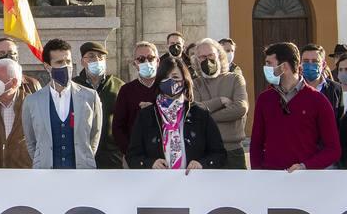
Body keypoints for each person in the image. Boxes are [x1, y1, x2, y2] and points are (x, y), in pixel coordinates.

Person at [250, 42, 341, 171]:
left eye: (269, 63)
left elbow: (333, 149)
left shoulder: (318, 100)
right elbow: (256, 144)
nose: (266, 67)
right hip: (270, 179)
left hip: (306, 180)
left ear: (284, 66)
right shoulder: (264, 99)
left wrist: (306, 166)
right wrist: (258, 172)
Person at [127, 56, 226, 172]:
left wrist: (202, 164)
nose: (170, 81)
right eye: (165, 77)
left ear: (184, 80)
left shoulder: (200, 114)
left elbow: (219, 154)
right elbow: (132, 156)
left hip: (192, 182)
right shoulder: (146, 115)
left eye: (175, 77)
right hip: (156, 183)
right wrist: (150, 163)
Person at [22, 38, 101, 169]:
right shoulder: (32, 101)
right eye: (59, 62)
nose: (66, 66)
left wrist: (85, 158)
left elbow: (95, 135)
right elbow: (31, 141)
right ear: (47, 66)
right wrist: (43, 160)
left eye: (68, 61)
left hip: (81, 172)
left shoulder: (90, 96)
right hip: (46, 173)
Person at [192, 38, 248, 169]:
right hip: (205, 152)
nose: (207, 60)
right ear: (197, 60)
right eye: (202, 57)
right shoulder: (195, 83)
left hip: (233, 151)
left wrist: (207, 116)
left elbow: (240, 108)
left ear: (219, 55)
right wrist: (220, 101)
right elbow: (194, 112)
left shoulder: (235, 78)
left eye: (210, 55)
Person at [73, 40, 124, 168]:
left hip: (111, 155)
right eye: (91, 56)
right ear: (82, 61)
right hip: (80, 154)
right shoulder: (73, 86)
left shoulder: (119, 86)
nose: (96, 60)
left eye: (100, 57)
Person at [112, 41, 160, 159]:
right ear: (135, 63)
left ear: (158, 61)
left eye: (150, 58)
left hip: (164, 154)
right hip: (134, 156)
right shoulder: (126, 90)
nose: (146, 62)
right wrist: (130, 152)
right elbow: (118, 126)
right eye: (141, 59)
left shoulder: (166, 87)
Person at [300, 43, 343, 125]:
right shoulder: (293, 89)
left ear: (323, 65)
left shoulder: (335, 89)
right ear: (300, 63)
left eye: (315, 61)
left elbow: (338, 122)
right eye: (306, 61)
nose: (310, 64)